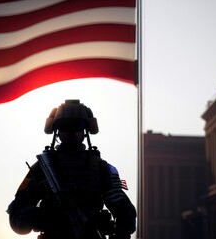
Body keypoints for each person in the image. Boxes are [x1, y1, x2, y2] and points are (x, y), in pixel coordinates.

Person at [7, 100, 136, 239]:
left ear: (85, 130)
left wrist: (118, 233)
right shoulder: (42, 168)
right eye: (65, 126)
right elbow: (17, 214)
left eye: (77, 126)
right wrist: (40, 217)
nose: (71, 132)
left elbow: (125, 212)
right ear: (57, 131)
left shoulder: (101, 168)